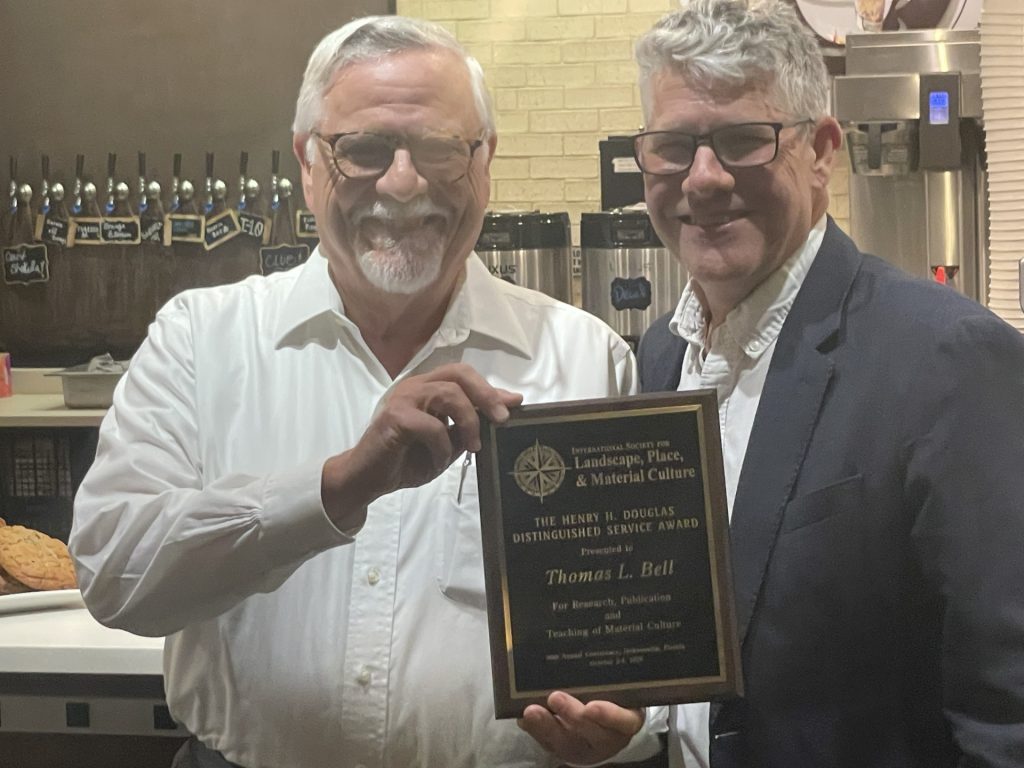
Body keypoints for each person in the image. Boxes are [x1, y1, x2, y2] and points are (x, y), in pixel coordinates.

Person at [69, 16, 665, 768]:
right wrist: (336, 487)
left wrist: (625, 727)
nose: (404, 183)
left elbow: (642, 630)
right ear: (308, 164)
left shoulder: (587, 358)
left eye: (443, 150)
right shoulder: (202, 338)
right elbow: (114, 576)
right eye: (364, 150)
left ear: (485, 164)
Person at [631, 1, 1024, 766]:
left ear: (820, 150)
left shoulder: (948, 360)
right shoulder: (657, 359)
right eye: (672, 146)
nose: (702, 179)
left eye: (744, 140)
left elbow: (1008, 709)